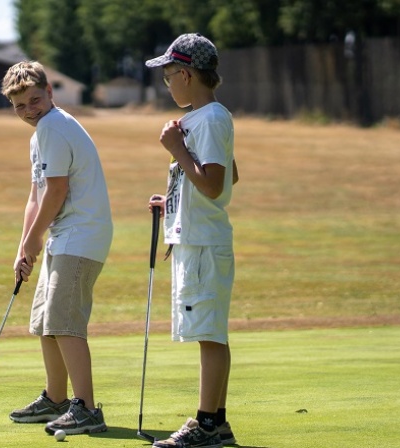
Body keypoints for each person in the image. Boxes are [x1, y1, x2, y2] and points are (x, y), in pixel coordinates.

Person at [0, 61, 113, 436]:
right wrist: (25, 244)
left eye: (34, 100)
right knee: (46, 322)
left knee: (64, 322)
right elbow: (37, 194)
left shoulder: (52, 125)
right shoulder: (40, 134)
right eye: (20, 106)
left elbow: (58, 190)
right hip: (63, 235)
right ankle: (56, 397)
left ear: (50, 93)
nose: (29, 110)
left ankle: (87, 408)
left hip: (81, 234)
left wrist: (35, 238)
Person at [144, 33, 240, 448]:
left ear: (186, 74)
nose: (167, 85)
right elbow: (225, 175)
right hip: (194, 238)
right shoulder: (203, 119)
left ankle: (205, 423)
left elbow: (217, 186)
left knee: (209, 334)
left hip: (204, 244)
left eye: (168, 76)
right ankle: (215, 422)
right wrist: (173, 202)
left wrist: (176, 149)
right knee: (208, 331)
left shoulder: (212, 118)